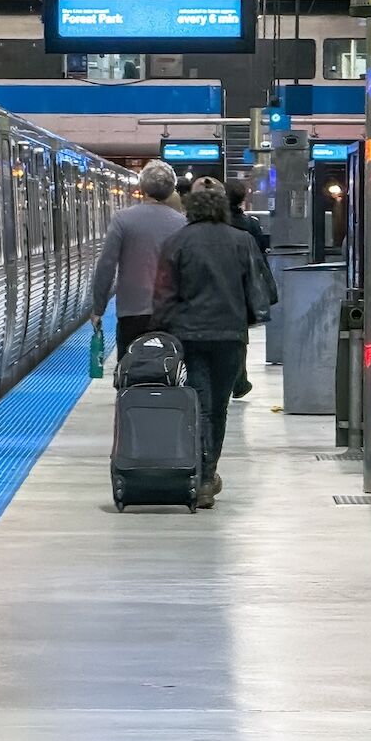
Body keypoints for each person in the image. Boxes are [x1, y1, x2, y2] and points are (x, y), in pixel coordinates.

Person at [152, 180, 266, 509]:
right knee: (219, 407)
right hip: (231, 336)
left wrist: (157, 327)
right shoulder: (242, 240)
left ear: (191, 208)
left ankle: (201, 478)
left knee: (199, 404)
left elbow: (164, 293)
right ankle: (209, 473)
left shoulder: (176, 241)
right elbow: (257, 287)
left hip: (191, 336)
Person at [90, 159, 184, 360]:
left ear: (142, 188)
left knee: (129, 367)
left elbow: (106, 265)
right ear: (171, 190)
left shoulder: (123, 220)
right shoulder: (183, 224)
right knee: (170, 367)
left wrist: (99, 308)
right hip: (173, 313)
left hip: (132, 312)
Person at [224, 179, 269, 400]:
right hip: (242, 286)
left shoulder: (216, 224)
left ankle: (231, 377)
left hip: (221, 281)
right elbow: (259, 253)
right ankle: (239, 379)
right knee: (240, 335)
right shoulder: (251, 224)